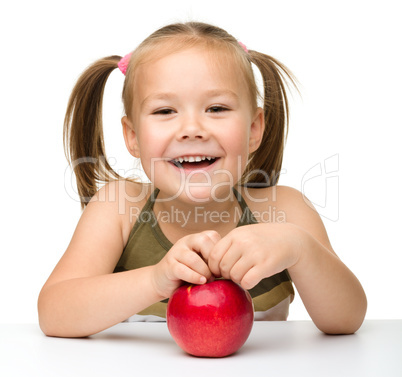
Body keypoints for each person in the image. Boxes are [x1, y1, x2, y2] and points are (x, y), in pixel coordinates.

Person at [38, 21, 367, 338]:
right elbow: (53, 313)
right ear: (133, 136)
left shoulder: (283, 210)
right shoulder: (118, 209)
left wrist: (300, 249)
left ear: (254, 129)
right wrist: (155, 279)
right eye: (165, 111)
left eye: (217, 108)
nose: (192, 129)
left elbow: (346, 319)